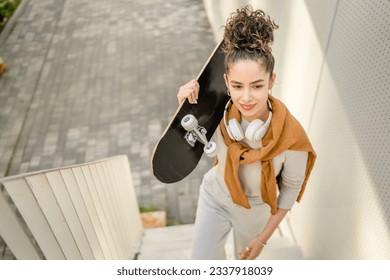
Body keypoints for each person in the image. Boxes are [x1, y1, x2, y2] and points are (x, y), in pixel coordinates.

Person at [177, 6, 316, 260]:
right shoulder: (218, 109)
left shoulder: (292, 139)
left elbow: (289, 191)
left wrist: (262, 239)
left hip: (256, 210)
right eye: (238, 86)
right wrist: (184, 105)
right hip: (216, 195)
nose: (247, 97)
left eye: (257, 85)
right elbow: (189, 136)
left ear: (271, 81)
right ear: (227, 82)